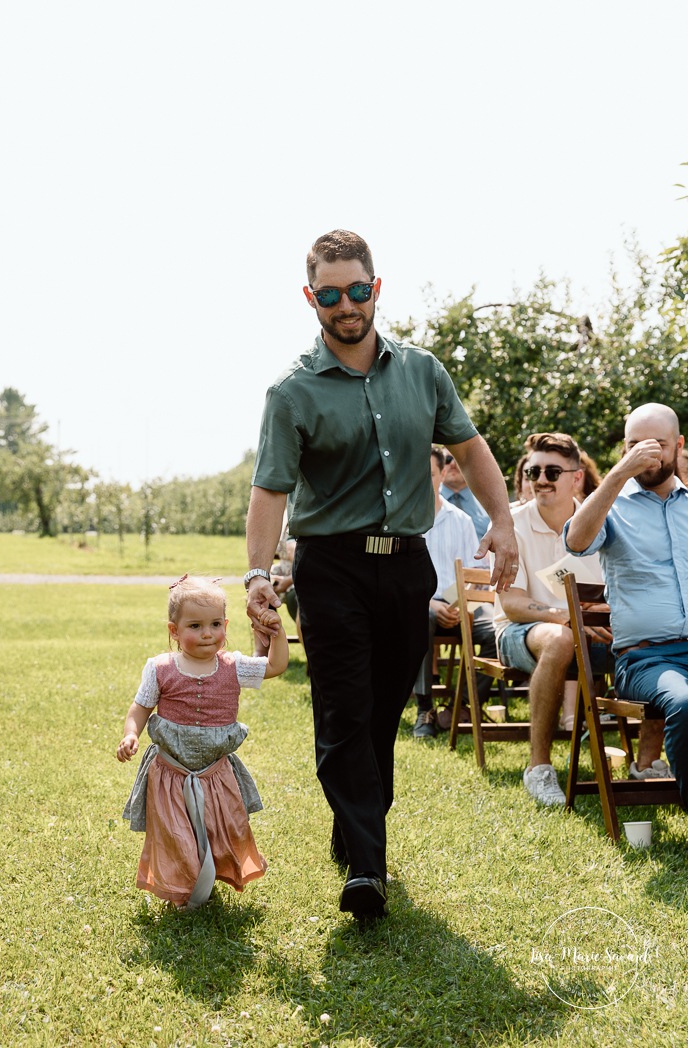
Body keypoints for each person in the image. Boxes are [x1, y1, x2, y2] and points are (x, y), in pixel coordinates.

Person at [245, 229, 517, 921]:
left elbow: (470, 445)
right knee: (342, 709)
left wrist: (504, 522)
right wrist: (256, 572)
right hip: (329, 567)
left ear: (376, 288)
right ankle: (368, 867)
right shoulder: (292, 392)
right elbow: (270, 489)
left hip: (405, 566)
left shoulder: (422, 372)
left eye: (356, 291)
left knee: (379, 715)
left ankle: (353, 829)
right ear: (311, 298)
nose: (345, 306)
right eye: (330, 294)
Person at [118, 575, 288, 910]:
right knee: (176, 834)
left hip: (214, 773)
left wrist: (278, 633)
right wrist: (131, 734)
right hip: (171, 772)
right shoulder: (160, 668)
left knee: (219, 830)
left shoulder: (234, 667)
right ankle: (181, 893)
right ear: (174, 630)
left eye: (214, 624)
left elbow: (275, 666)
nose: (207, 633)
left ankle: (208, 876)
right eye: (195, 626)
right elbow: (141, 707)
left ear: (225, 624)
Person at [565, 403, 688, 809]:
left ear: (679, 445)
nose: (646, 455)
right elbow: (575, 542)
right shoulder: (611, 506)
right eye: (635, 446)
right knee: (687, 704)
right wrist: (619, 475)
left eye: (656, 445)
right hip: (647, 661)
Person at [493, 432, 609, 806]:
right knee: (560, 640)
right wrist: (568, 618)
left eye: (552, 471)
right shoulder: (511, 522)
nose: (540, 479)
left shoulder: (601, 520)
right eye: (533, 471)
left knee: (659, 635)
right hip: (519, 632)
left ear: (576, 477)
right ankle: (539, 768)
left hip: (593, 629)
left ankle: (648, 764)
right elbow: (512, 605)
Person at [413, 446, 498, 738]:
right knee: (420, 617)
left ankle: (460, 706)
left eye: (430, 474)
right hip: (420, 603)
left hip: (460, 602)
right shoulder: (401, 521)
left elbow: (478, 573)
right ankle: (424, 707)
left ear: (443, 473)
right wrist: (430, 604)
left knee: (497, 632)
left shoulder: (461, 520)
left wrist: (460, 603)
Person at [440, 452, 492, 540]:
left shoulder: (490, 501)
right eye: (447, 459)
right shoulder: (426, 503)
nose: (453, 464)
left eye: (459, 459)